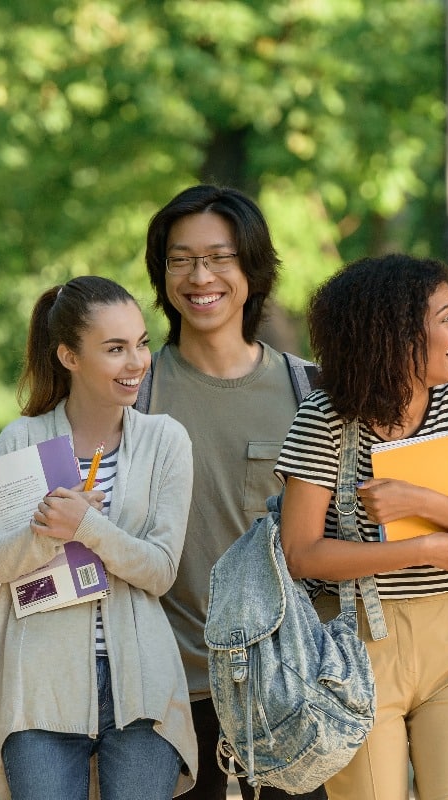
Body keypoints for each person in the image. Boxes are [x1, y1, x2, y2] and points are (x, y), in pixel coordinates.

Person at [277, 254, 448, 800]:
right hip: (355, 645)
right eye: (444, 318)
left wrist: (423, 502)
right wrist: (421, 548)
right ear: (393, 335)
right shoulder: (325, 418)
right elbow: (301, 553)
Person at [0, 276, 197, 799]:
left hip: (141, 688)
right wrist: (45, 533)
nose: (136, 361)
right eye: (115, 349)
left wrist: (87, 528)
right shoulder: (20, 439)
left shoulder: (165, 442)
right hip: (40, 688)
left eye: (140, 343)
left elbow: (160, 570)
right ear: (69, 356)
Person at [137, 184, 323, 800]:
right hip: (162, 695)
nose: (200, 276)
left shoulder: (311, 396)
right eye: (181, 259)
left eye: (220, 257)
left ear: (253, 268)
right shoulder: (130, 395)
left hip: (285, 691)